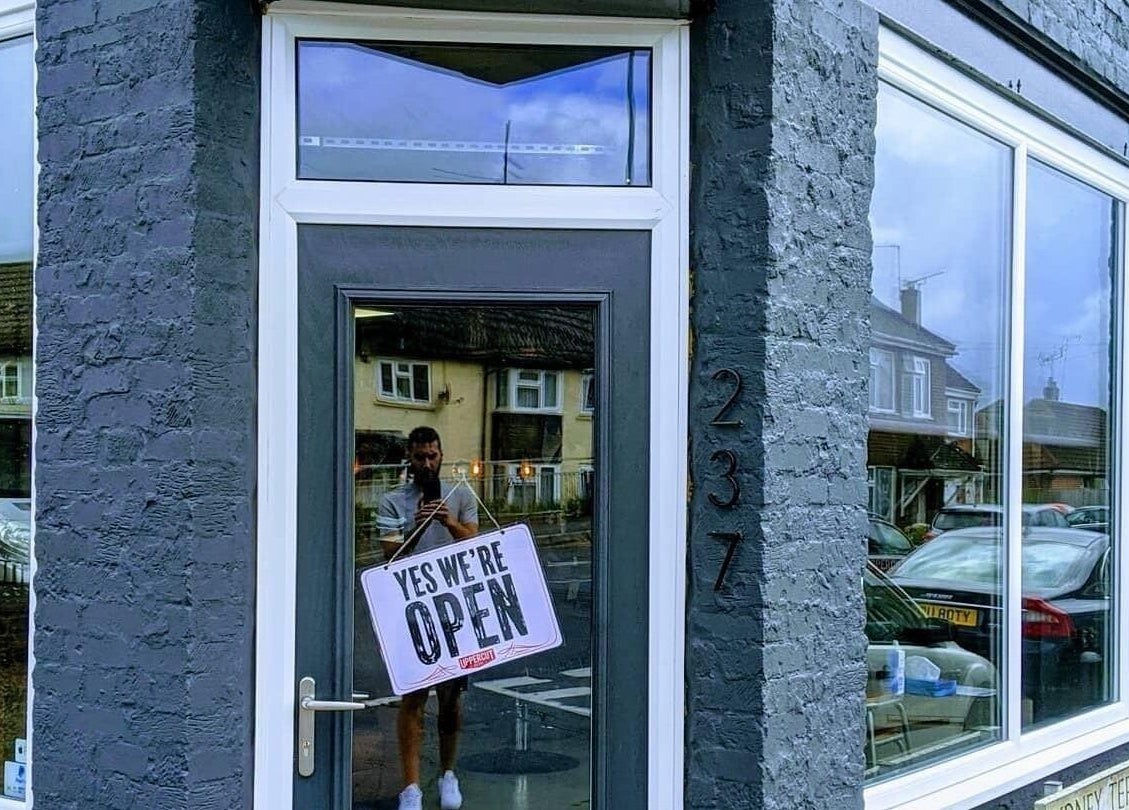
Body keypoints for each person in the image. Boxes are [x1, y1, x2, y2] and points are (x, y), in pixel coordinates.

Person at [378, 426, 478, 810]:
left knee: (451, 699)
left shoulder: (461, 495)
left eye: (432, 456)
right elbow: (389, 555)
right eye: (419, 456)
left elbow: (475, 542)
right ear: (410, 458)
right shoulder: (393, 500)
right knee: (414, 697)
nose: (426, 463)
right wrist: (419, 525)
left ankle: (448, 774)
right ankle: (411, 787)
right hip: (413, 609)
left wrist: (448, 522)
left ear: (441, 456)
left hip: (454, 608)